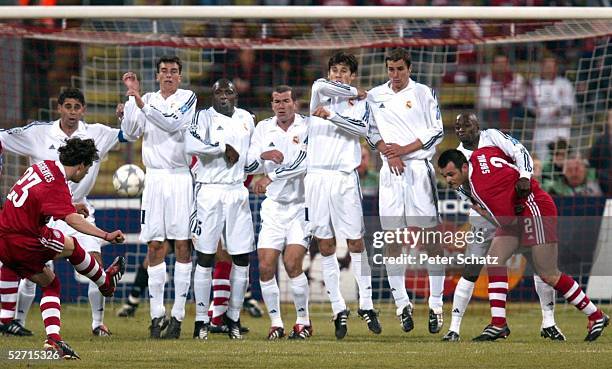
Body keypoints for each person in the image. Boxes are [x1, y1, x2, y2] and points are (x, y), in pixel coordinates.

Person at [437, 147, 609, 342]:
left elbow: (506, 221)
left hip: (535, 208)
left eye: (451, 174)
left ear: (465, 168)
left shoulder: (479, 187)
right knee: (495, 260)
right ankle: (498, 324)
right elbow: (511, 153)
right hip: (516, 212)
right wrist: (519, 176)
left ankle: (596, 316)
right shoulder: (481, 154)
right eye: (445, 176)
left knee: (548, 273)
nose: (449, 180)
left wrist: (485, 212)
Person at [0, 87, 129, 337]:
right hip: (27, 238)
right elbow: (73, 221)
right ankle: (104, 285)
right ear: (80, 165)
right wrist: (106, 235)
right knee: (71, 252)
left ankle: (6, 320)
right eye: (87, 168)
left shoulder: (43, 166)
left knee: (17, 267)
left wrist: (70, 206)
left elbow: (44, 204)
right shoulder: (57, 184)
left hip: (5, 234)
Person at [274, 51, 382, 339]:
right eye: (335, 70)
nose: (338, 75)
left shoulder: (360, 104)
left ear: (353, 74)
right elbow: (320, 85)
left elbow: (360, 129)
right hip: (317, 178)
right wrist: (350, 93)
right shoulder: (320, 91)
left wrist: (334, 114)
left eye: (344, 71)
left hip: (345, 177)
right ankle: (338, 309)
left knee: (356, 242)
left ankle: (368, 304)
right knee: (325, 245)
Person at [439, 112, 564, 342]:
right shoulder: (458, 155)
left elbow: (520, 152)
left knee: (539, 264)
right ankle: (454, 329)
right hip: (483, 215)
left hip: (512, 209)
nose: (461, 129)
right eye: (457, 126)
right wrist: (483, 208)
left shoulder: (493, 136)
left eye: (466, 124)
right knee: (471, 269)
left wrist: (525, 176)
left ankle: (549, 321)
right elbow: (459, 189)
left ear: (477, 125)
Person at [367, 48, 444, 334]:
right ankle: (402, 305)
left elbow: (437, 131)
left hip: (418, 169)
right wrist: (388, 153)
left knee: (430, 239)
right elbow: (371, 131)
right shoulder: (375, 96)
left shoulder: (424, 93)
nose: (395, 75)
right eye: (391, 69)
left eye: (400, 69)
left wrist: (404, 149)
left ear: (409, 68)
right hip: (390, 171)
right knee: (393, 240)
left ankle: (436, 305)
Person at [121, 55, 196, 339]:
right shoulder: (147, 97)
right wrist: (130, 102)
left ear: (180, 76)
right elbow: (130, 132)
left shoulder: (188, 98)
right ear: (157, 75)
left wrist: (140, 102)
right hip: (153, 178)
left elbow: (171, 124)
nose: (168, 75)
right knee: (154, 246)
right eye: (163, 71)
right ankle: (156, 315)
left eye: (173, 72)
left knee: (182, 246)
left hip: (179, 177)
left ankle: (177, 315)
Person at [186, 78, 254, 340]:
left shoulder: (248, 118)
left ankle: (233, 318)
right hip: (209, 191)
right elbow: (189, 145)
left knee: (242, 258)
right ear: (212, 96)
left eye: (228, 92)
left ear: (236, 96)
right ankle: (201, 321)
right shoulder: (203, 117)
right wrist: (221, 148)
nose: (223, 96)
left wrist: (261, 165)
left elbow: (252, 154)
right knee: (204, 257)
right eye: (218, 92)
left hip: (237, 191)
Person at [245, 85, 312, 340]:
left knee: (292, 262)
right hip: (273, 207)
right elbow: (250, 162)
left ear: (294, 103)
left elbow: (303, 164)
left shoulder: (307, 127)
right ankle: (276, 323)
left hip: (301, 205)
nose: (281, 105)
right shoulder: (263, 128)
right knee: (264, 266)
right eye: (276, 101)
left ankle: (303, 321)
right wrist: (264, 153)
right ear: (272, 104)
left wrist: (270, 175)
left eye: (285, 101)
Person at [526, 57, 575, 161]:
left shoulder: (564, 83)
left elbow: (570, 107)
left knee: (561, 161)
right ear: (541, 67)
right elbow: (528, 108)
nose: (548, 69)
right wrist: (534, 112)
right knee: (542, 161)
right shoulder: (534, 84)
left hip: (561, 128)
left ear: (556, 68)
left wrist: (559, 112)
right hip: (542, 129)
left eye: (551, 67)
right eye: (546, 66)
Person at [477, 54, 527, 132]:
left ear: (508, 65)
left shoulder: (517, 78)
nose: (501, 65)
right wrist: (507, 103)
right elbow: (486, 101)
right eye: (498, 63)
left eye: (504, 63)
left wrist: (503, 97)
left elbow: (520, 97)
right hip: (493, 116)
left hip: (513, 114)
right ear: (493, 65)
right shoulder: (486, 80)